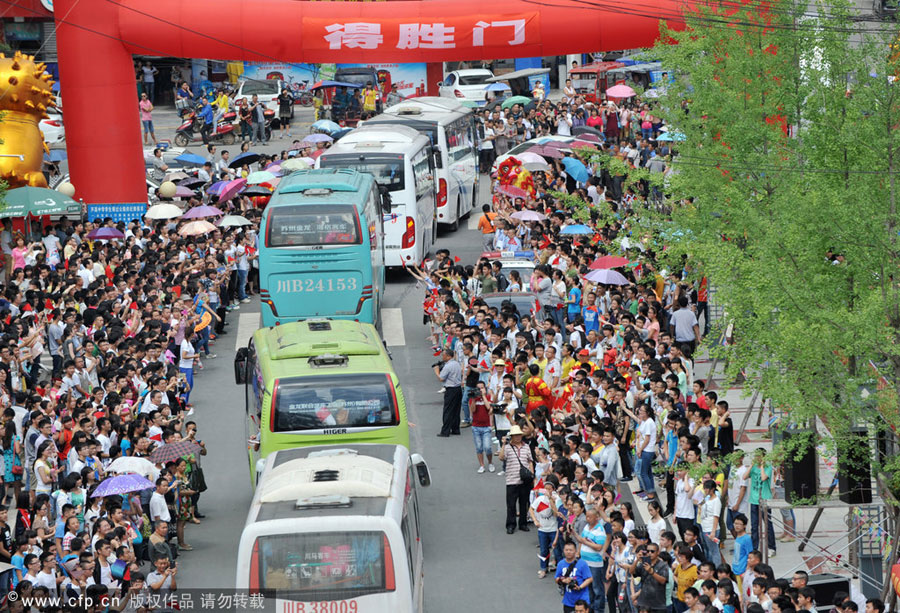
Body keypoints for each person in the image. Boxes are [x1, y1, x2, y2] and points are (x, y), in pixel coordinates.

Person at [499, 425, 533, 534]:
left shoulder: (526, 446)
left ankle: (523, 523)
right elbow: (501, 457)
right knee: (511, 505)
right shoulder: (508, 447)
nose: (518, 437)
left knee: (524, 503)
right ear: (512, 436)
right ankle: (511, 524)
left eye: (519, 435)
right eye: (515, 435)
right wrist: (504, 444)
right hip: (512, 480)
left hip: (525, 480)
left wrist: (531, 474)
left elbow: (530, 461)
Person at [556, 540, 592, 613]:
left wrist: (580, 587)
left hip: (582, 599)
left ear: (575, 551)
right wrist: (563, 580)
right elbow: (556, 578)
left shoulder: (582, 563)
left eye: (571, 550)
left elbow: (590, 579)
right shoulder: (560, 564)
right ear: (563, 550)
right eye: (566, 550)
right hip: (568, 600)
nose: (568, 552)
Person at [434, 348, 462, 437]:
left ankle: (445, 431)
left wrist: (436, 371)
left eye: (443, 355)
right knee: (456, 410)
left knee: (448, 410)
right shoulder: (457, 364)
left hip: (451, 389)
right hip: (458, 388)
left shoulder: (448, 366)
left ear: (448, 356)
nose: (442, 356)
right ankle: (455, 429)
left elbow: (441, 378)